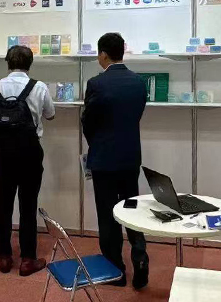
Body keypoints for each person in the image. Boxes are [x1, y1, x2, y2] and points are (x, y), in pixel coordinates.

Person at [82, 33, 149, 289]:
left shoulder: (96, 83)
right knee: (132, 209)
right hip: (130, 157)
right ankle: (140, 259)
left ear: (103, 55)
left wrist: (96, 142)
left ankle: (115, 270)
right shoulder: (138, 82)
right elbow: (137, 116)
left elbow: (88, 121)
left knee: (108, 215)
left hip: (104, 159)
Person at [0, 45, 55, 276]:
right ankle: (27, 259)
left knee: (3, 203)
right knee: (28, 204)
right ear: (30, 64)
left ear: (7, 62)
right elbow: (50, 114)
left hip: (2, 155)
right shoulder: (39, 87)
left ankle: (4, 257)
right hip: (29, 153)